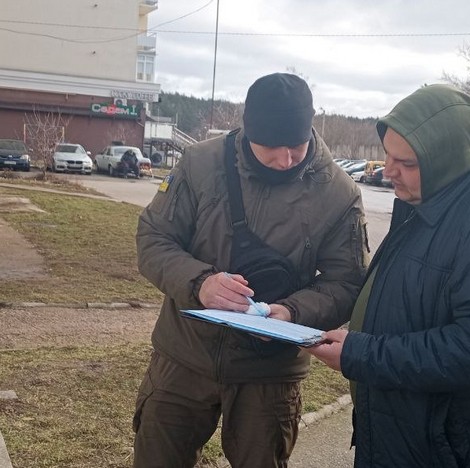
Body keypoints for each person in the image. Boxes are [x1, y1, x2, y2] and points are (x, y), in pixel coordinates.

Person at [307, 84, 470, 467]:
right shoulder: (439, 193)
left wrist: (363, 354)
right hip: (412, 433)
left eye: (406, 163)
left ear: (446, 158)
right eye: (387, 155)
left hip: (454, 449)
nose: (388, 171)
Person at [133, 73, 369, 467]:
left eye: (296, 147)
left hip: (269, 375)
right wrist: (200, 282)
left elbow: (346, 281)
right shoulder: (200, 164)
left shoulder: (338, 192)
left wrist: (292, 312)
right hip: (184, 356)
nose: (286, 160)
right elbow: (154, 238)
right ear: (248, 132)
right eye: (271, 148)